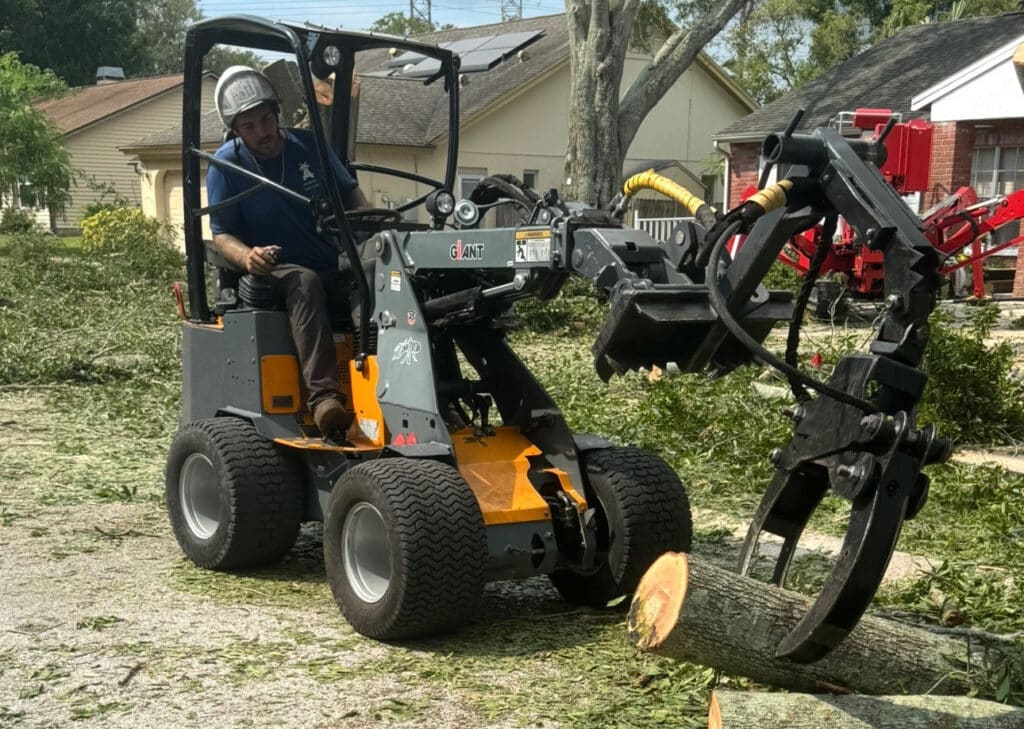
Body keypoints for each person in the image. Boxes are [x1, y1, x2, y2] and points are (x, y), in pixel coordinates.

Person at [206, 65, 369, 435]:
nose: (262, 132)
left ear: (276, 113)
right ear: (235, 129)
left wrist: (372, 235)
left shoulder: (308, 146)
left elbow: (351, 195)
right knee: (305, 282)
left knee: (384, 278)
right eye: (249, 127)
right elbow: (221, 234)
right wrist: (248, 257)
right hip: (276, 268)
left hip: (333, 256)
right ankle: (325, 398)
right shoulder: (225, 166)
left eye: (266, 120)